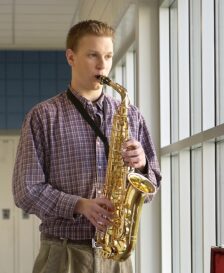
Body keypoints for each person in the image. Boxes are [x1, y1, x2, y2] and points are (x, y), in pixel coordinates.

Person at [12, 20, 161, 273]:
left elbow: (152, 184)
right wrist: (79, 204)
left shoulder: (131, 115)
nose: (102, 65)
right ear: (71, 57)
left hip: (116, 256)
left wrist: (143, 164)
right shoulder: (43, 116)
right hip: (63, 254)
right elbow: (25, 191)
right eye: (93, 55)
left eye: (108, 56)